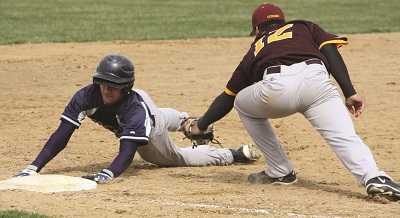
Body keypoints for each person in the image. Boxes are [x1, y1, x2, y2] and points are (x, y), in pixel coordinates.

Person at [187, 3, 400, 201]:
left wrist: (201, 125)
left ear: (258, 29)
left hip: (278, 89)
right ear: (282, 22)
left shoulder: (256, 47)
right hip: (318, 83)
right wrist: (350, 92)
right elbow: (329, 50)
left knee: (241, 102)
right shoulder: (304, 27)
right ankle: (374, 177)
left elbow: (227, 97)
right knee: (344, 136)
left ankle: (280, 171)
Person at [15, 54, 260, 183]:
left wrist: (108, 174)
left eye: (113, 86)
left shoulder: (134, 110)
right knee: (157, 116)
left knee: (174, 157)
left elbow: (127, 150)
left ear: (125, 87)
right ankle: (187, 121)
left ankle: (232, 154)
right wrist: (34, 167)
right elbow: (62, 135)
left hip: (150, 127)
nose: (106, 90)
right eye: (102, 83)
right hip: (148, 109)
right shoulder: (85, 97)